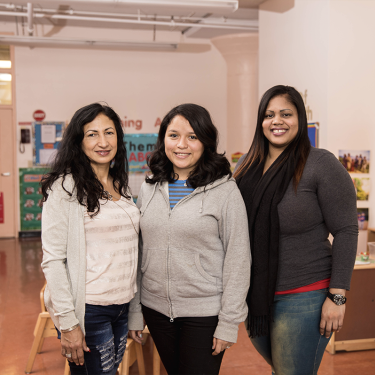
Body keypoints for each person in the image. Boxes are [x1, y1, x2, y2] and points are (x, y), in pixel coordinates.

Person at [233, 85, 358, 375]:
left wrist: (337, 296)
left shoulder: (320, 164)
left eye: (286, 114)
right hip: (258, 297)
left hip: (306, 294)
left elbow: (347, 230)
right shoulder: (246, 166)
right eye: (269, 114)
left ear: (299, 119)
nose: (277, 121)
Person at [128, 103, 251, 375]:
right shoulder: (150, 186)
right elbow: (138, 251)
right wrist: (135, 311)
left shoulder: (225, 190)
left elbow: (239, 257)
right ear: (163, 140)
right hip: (156, 310)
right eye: (174, 135)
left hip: (205, 312)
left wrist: (229, 321)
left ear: (205, 142)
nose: (181, 145)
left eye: (192, 137)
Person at [41, 103, 140, 375]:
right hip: (89, 310)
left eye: (109, 133)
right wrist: (69, 324)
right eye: (92, 134)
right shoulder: (65, 188)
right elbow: (53, 261)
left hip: (121, 306)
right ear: (79, 141)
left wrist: (133, 310)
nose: (103, 142)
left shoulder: (121, 186)